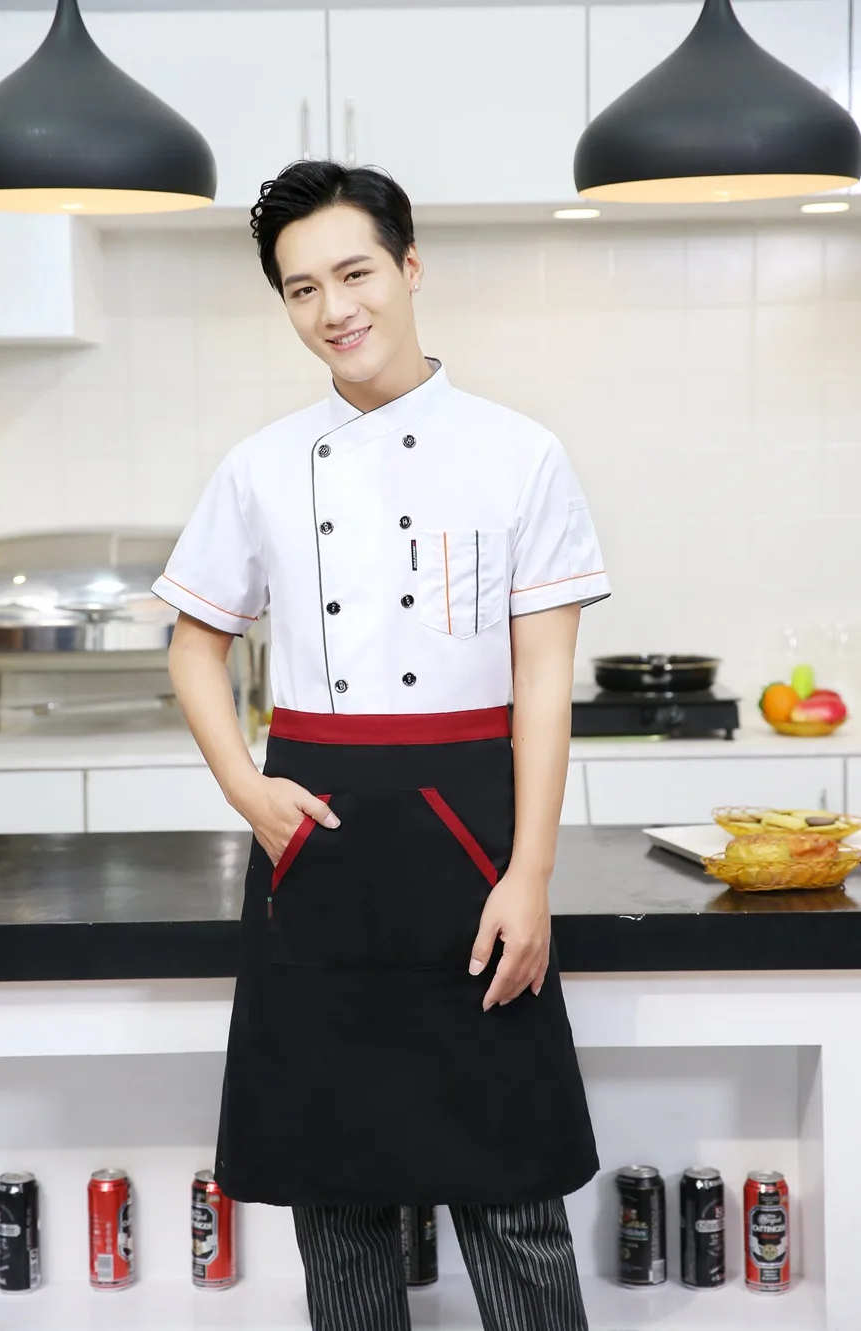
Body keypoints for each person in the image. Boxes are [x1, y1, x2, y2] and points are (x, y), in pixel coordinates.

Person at [152, 159, 611, 1331]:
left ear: (409, 268)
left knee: (511, 1187)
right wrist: (247, 787)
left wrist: (530, 872)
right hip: (320, 829)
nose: (332, 308)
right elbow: (194, 647)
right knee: (336, 1193)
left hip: (469, 830)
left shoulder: (520, 452)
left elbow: (541, 680)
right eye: (300, 289)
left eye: (353, 273)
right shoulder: (260, 466)